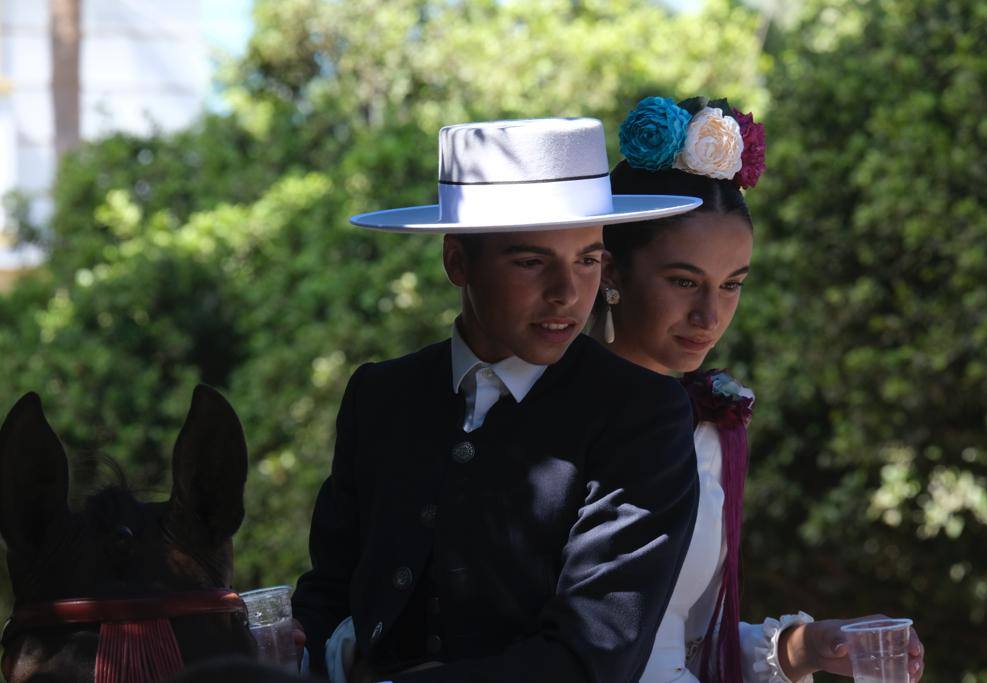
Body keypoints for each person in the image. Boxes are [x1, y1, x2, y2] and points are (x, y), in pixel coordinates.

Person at [291, 117, 705, 682]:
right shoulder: (380, 395)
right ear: (457, 262)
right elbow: (329, 588)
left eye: (587, 260)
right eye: (531, 262)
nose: (567, 293)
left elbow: (594, 655)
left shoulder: (641, 413)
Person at [597, 96, 926, 683]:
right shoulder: (542, 417)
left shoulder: (706, 426)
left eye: (731, 285)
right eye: (683, 281)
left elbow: (690, 642)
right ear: (611, 272)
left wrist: (810, 647)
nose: (709, 315)